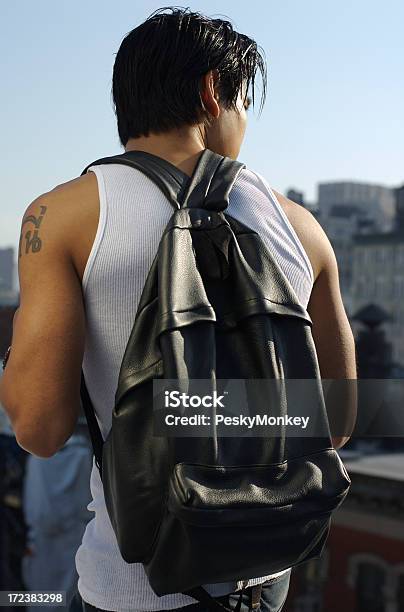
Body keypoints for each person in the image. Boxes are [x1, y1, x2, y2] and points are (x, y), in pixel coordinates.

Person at [0, 6, 356, 612]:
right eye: (245, 102)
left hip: (135, 585)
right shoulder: (300, 227)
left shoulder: (59, 216)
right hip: (266, 575)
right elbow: (340, 420)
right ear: (214, 93)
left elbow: (39, 430)